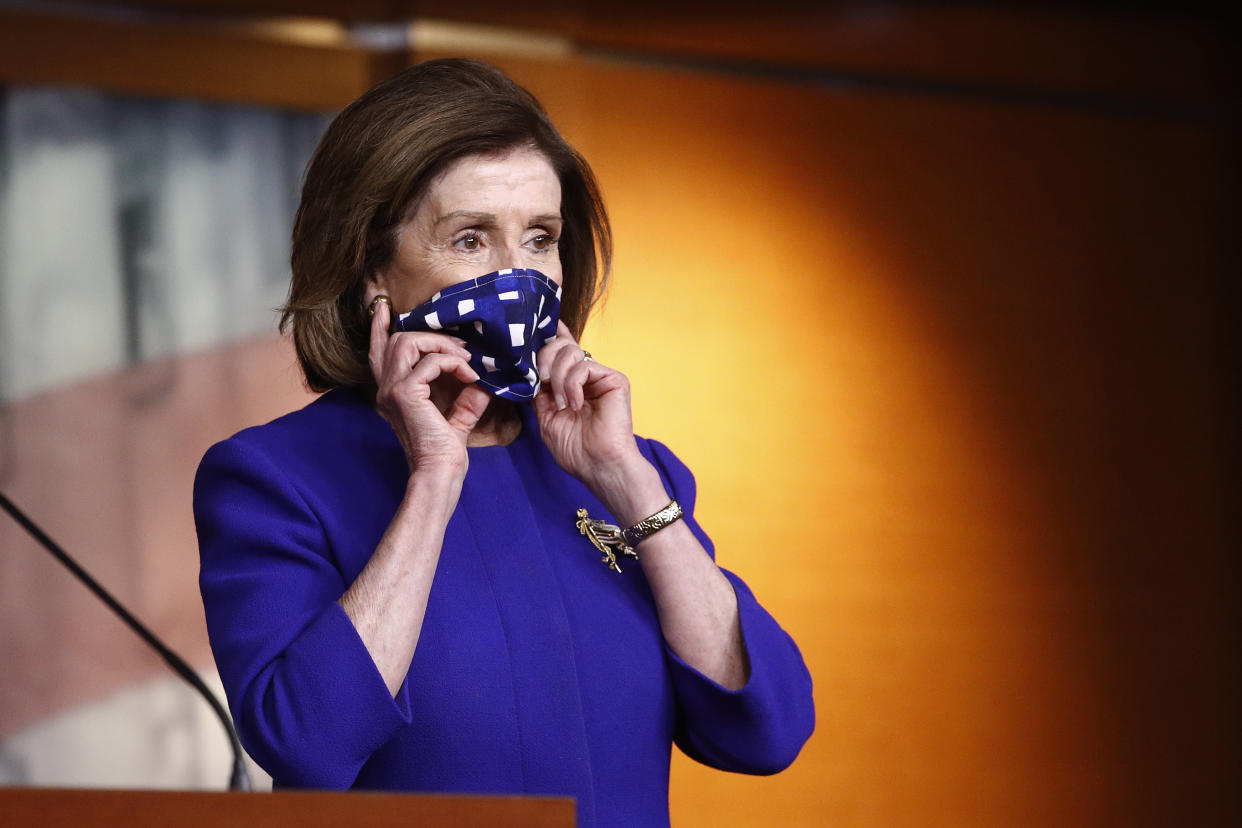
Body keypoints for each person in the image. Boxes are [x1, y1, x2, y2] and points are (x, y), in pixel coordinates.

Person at [194, 58, 814, 827]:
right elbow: (309, 745)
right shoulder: (273, 479)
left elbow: (765, 731)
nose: (517, 274)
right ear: (371, 271)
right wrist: (431, 482)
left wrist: (625, 479)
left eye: (541, 237)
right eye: (470, 240)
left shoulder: (631, 470)